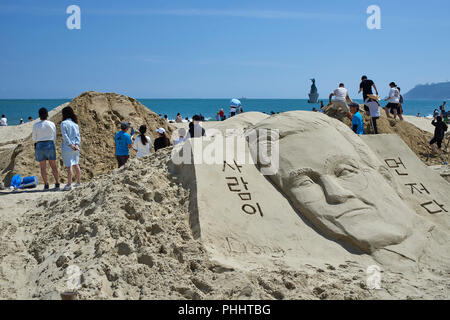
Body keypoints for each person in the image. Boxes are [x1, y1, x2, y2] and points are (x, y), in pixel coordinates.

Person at [32, 108, 60, 190]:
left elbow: (34, 138)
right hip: (49, 144)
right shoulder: (51, 124)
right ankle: (57, 183)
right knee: (53, 166)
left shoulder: (36, 125)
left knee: (43, 167)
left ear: (39, 115)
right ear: (47, 114)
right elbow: (54, 136)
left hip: (40, 145)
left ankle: (46, 184)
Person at [60, 106, 81, 191]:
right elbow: (78, 136)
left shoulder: (63, 123)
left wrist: (70, 145)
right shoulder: (75, 124)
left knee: (69, 166)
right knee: (76, 163)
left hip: (67, 147)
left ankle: (69, 184)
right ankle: (78, 182)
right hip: (76, 147)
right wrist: (76, 144)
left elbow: (65, 136)